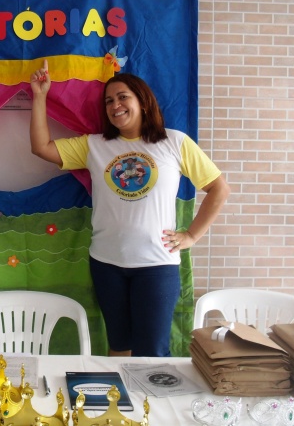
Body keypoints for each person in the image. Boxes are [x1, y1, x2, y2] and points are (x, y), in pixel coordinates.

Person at [29, 60, 230, 357]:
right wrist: (39, 96)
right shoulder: (95, 145)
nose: (115, 105)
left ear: (143, 102)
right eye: (109, 101)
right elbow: (41, 147)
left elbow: (219, 189)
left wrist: (191, 236)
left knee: (152, 353)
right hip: (106, 263)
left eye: (123, 97)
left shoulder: (174, 142)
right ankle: (118, 391)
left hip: (157, 265)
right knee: (119, 347)